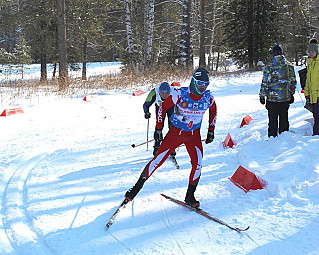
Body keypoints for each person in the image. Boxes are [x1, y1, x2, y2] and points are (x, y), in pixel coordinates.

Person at [124, 68, 217, 208]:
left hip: (194, 135)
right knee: (157, 161)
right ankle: (135, 189)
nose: (203, 87)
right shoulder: (179, 93)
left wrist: (211, 130)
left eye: (205, 84)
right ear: (193, 81)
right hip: (176, 133)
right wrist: (158, 129)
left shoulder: (208, 97)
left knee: (198, 165)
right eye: (200, 84)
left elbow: (214, 111)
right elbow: (162, 108)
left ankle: (190, 196)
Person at [259, 44, 296, 138]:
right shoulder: (289, 66)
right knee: (284, 119)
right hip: (285, 98)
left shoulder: (269, 66)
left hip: (272, 99)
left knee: (272, 121)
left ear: (274, 54)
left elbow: (265, 82)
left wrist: (262, 95)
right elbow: (293, 81)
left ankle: (272, 140)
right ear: (282, 53)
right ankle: (284, 139)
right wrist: (291, 93)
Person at [143, 81, 177, 156]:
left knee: (172, 126)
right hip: (160, 107)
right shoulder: (154, 92)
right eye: (162, 93)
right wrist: (146, 112)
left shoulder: (174, 90)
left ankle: (172, 147)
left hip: (171, 108)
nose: (164, 95)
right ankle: (157, 146)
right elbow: (146, 103)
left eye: (167, 93)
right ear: (159, 91)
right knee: (159, 126)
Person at [304, 43, 319, 135]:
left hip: (317, 94)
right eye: (309, 52)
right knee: (315, 116)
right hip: (312, 95)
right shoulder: (310, 62)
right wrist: (307, 93)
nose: (310, 53)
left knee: (317, 116)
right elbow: (308, 80)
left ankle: (316, 135)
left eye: (312, 51)